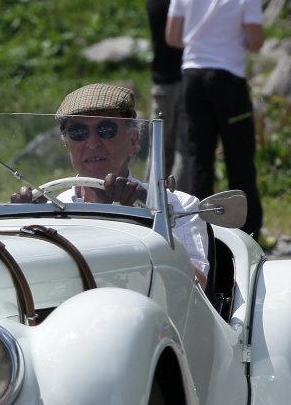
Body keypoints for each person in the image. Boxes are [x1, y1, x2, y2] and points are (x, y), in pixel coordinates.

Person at [17, 84, 210, 286]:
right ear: (66, 143)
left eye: (106, 129)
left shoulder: (177, 207)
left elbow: (197, 286)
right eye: (78, 132)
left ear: (133, 140)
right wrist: (23, 232)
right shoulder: (49, 212)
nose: (92, 143)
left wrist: (146, 221)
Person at [165, 0, 265, 240]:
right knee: (239, 157)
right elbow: (256, 42)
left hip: (193, 77)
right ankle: (248, 231)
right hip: (228, 78)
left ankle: (200, 232)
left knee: (199, 156)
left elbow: (173, 37)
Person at [146, 0, 203, 183]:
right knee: (185, 149)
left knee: (157, 150)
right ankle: (180, 198)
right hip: (188, 80)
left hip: (161, 82)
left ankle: (149, 198)